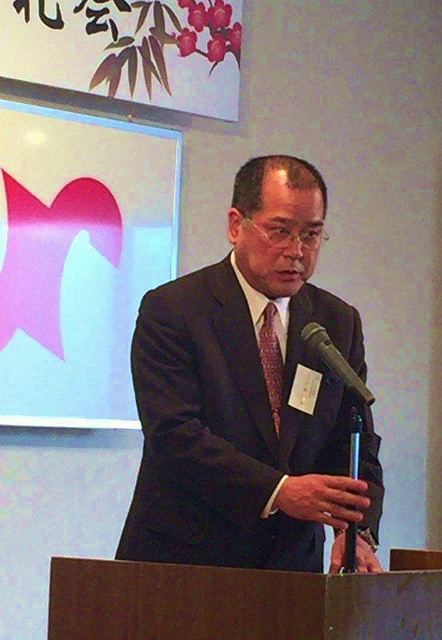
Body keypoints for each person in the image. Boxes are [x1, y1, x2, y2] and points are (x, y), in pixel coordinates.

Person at [116, 155, 384, 573]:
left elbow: (355, 440)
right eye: (280, 231)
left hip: (292, 569)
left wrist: (355, 532)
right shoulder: (174, 310)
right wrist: (279, 491)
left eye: (311, 234)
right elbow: (175, 435)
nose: (297, 251)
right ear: (236, 225)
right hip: (184, 566)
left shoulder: (336, 321)